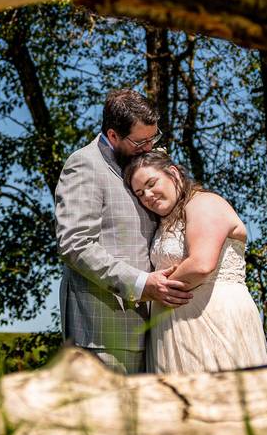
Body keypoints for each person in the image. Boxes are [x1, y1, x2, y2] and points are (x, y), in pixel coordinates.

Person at [55, 89, 192, 374]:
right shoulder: (85, 165)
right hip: (104, 333)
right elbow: (75, 244)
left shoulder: (136, 164)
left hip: (156, 327)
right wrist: (141, 284)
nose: (148, 147)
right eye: (140, 141)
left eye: (153, 138)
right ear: (113, 135)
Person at [124, 150, 267, 374]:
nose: (148, 195)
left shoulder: (205, 203)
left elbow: (201, 264)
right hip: (174, 328)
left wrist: (148, 290)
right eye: (140, 193)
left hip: (213, 319)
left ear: (173, 173)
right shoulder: (167, 221)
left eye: (152, 183)